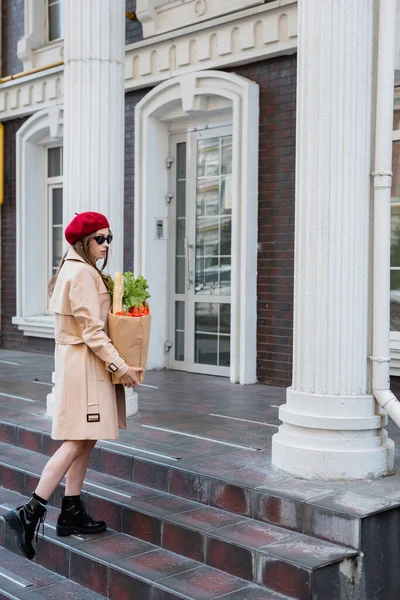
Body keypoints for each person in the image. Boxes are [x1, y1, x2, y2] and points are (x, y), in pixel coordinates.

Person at [4, 211, 142, 560]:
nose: (107, 244)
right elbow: (92, 331)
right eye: (100, 238)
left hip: (83, 364)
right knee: (74, 441)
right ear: (83, 241)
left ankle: (71, 510)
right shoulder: (81, 273)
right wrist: (120, 366)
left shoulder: (81, 269)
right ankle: (29, 512)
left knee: (85, 438)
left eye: (109, 238)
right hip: (85, 366)